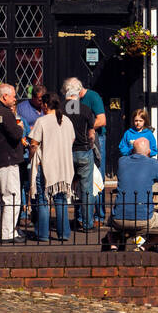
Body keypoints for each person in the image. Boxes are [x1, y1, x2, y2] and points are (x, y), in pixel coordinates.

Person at [29, 92, 76, 242]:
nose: (40, 106)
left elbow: (34, 144)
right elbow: (72, 139)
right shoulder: (67, 120)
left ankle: (42, 234)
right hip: (64, 166)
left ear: (46, 105)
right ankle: (64, 234)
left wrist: (30, 154)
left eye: (42, 104)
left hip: (46, 166)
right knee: (61, 200)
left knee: (43, 200)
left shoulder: (42, 121)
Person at [62, 78, 106, 219]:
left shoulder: (92, 97)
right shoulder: (83, 109)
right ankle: (84, 219)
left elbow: (102, 120)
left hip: (86, 144)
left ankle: (98, 214)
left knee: (94, 178)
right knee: (86, 185)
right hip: (84, 146)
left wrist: (82, 129)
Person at [0, 83, 25, 241]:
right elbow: (15, 134)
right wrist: (20, 127)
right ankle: (8, 233)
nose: (15, 99)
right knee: (12, 197)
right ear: (4, 96)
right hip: (7, 159)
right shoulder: (5, 112)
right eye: (13, 96)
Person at [63, 85, 97, 231]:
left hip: (65, 153)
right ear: (78, 96)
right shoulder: (85, 109)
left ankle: (63, 225)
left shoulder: (61, 110)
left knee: (63, 189)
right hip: (83, 151)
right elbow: (91, 133)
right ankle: (88, 224)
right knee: (86, 189)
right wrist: (90, 145)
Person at [111, 136, 158, 234]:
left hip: (118, 219)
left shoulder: (121, 161)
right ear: (149, 151)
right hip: (143, 220)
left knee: (112, 219)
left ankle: (116, 239)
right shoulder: (153, 163)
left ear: (133, 150)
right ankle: (142, 242)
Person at [17, 82, 46, 220]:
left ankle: (35, 212)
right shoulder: (22, 108)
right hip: (28, 150)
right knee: (26, 183)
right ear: (33, 98)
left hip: (44, 151)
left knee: (37, 183)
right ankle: (23, 213)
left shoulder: (46, 107)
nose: (42, 102)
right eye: (40, 99)